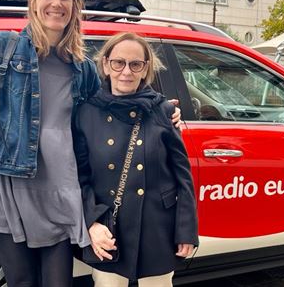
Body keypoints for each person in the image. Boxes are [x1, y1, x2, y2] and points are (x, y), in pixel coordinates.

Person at [0, 0, 181, 287]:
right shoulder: (3, 47)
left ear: (74, 6)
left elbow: (115, 106)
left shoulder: (82, 68)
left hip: (61, 192)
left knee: (58, 283)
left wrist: (161, 111)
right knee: (22, 280)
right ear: (33, 2)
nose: (56, 3)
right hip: (10, 188)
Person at [74, 32, 199, 287]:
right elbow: (79, 177)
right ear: (106, 64)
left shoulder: (163, 110)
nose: (126, 72)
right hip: (110, 231)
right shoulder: (87, 113)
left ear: (145, 69)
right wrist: (91, 223)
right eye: (119, 63)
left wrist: (186, 229)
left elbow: (182, 175)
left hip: (156, 228)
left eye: (136, 64)